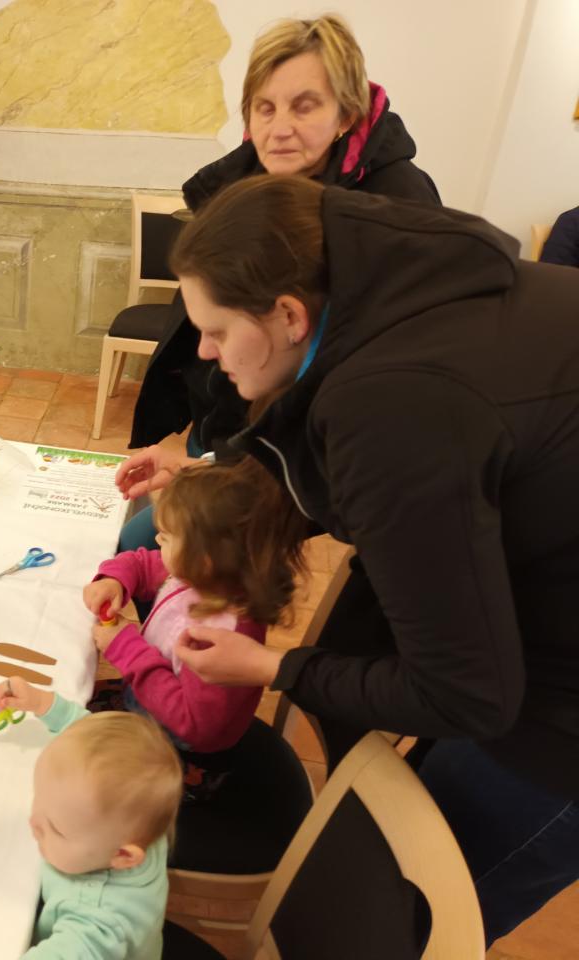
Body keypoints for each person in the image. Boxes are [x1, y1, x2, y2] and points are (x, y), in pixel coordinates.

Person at [126, 174, 579, 943]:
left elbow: (467, 695)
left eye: (216, 330)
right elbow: (323, 455)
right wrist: (211, 476)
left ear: (288, 315)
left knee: (403, 917)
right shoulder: (382, 294)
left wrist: (273, 667)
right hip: (531, 615)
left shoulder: (396, 406)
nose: (202, 352)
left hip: (561, 716)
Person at [123, 14, 438, 550]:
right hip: (224, 420)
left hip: (294, 446)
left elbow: (379, 373)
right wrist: (206, 449)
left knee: (165, 553)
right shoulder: (244, 180)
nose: (280, 127)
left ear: (347, 112)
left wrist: (230, 466)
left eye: (304, 105)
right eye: (265, 107)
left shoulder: (398, 204)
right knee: (163, 556)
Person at [85, 458, 305, 801]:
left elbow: (192, 723)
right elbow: (142, 563)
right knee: (73, 701)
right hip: (147, 703)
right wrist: (115, 579)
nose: (156, 539)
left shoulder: (219, 637)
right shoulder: (201, 575)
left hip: (180, 758)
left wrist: (124, 646)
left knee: (80, 769)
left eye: (166, 537)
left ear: (204, 558)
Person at [0, 677, 181, 960]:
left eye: (56, 829)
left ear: (123, 856)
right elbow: (87, 738)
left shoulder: (98, 923)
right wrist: (42, 703)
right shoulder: (131, 821)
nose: (33, 822)